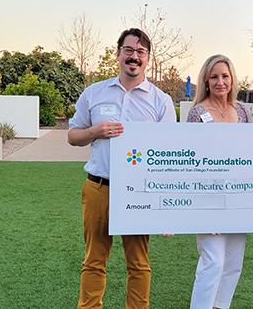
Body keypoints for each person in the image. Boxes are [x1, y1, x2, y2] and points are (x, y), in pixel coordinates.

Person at [68, 28, 176, 309]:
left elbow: (167, 154)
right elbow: (73, 136)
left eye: (140, 52)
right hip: (99, 187)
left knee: (138, 263)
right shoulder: (94, 93)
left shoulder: (160, 101)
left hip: (138, 193)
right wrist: (94, 130)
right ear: (118, 54)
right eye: (128, 50)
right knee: (94, 260)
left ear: (148, 58)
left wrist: (164, 206)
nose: (134, 56)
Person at [187, 54, 252, 309]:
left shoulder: (243, 110)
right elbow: (191, 159)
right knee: (213, 260)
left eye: (224, 76)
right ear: (206, 80)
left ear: (232, 78)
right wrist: (204, 207)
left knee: (233, 262)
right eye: (214, 77)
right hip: (209, 196)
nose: (220, 82)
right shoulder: (198, 112)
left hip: (238, 196)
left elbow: (251, 154)